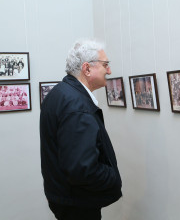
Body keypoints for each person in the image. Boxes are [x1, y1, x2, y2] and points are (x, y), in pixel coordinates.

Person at [40, 39, 122, 220]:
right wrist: (113, 177)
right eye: (105, 65)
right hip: (77, 203)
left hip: (65, 197)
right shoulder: (76, 106)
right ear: (87, 69)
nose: (109, 71)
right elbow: (83, 169)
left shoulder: (60, 93)